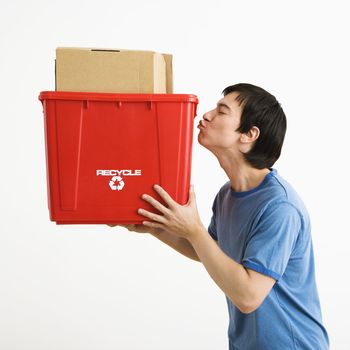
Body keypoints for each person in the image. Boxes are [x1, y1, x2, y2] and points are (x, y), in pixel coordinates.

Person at [109, 83, 329, 349]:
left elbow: (248, 296)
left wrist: (194, 228)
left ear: (249, 134)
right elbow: (209, 249)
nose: (207, 115)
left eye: (222, 111)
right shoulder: (228, 194)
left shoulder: (280, 207)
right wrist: (157, 226)